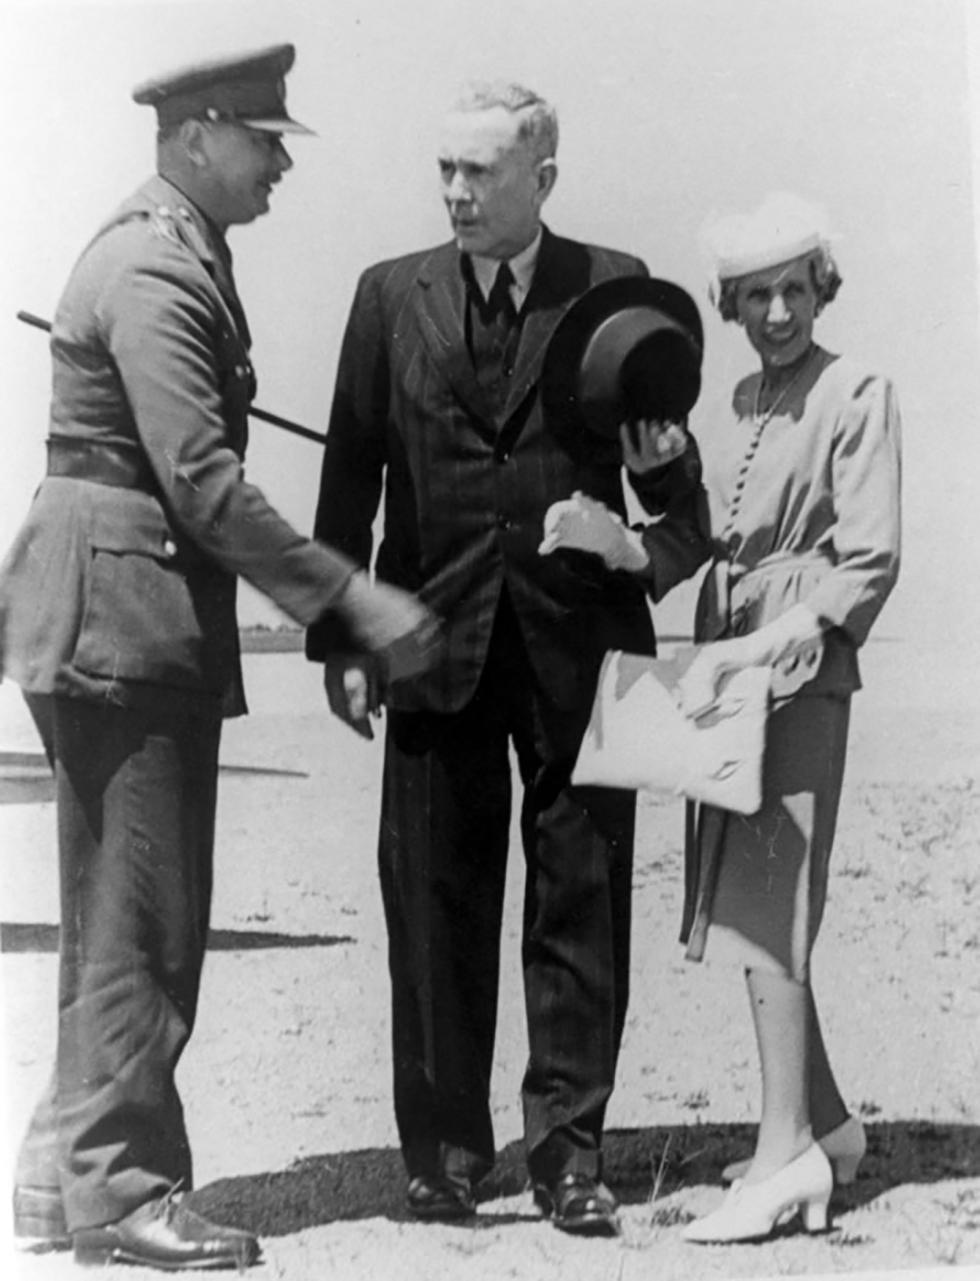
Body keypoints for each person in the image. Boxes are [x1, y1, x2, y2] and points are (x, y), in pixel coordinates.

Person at [0, 45, 438, 1272]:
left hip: (115, 612)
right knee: (146, 922)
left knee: (108, 917)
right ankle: (125, 1193)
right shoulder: (154, 263)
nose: (282, 161)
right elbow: (199, 481)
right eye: (265, 137)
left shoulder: (172, 247)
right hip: (121, 618)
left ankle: (60, 1174)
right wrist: (349, 600)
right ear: (198, 136)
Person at [306, 80, 705, 1235]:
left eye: (480, 172)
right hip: (430, 644)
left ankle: (567, 1155)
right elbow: (350, 475)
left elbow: (676, 494)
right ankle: (439, 1158)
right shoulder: (389, 296)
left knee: (579, 907)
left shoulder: (615, 290)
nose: (455, 193)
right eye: (444, 169)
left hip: (581, 654)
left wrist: (631, 541)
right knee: (431, 903)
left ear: (543, 178)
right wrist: (339, 637)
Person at [540, 192, 902, 1244]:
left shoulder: (854, 392)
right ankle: (825, 1126)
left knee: (766, 904)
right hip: (732, 667)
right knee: (750, 898)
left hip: (794, 669)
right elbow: (694, 544)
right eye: (756, 295)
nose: (779, 311)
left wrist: (770, 637)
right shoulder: (739, 399)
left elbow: (867, 560)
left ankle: (784, 1157)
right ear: (730, 305)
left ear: (819, 288)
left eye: (794, 289)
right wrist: (622, 548)